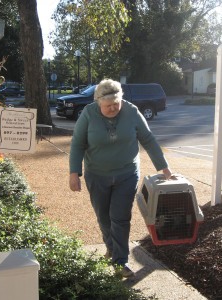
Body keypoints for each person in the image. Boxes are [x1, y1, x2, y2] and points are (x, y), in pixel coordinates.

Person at [69, 79, 172, 277]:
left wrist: (164, 168)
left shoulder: (132, 111)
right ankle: (111, 248)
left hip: (127, 174)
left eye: (116, 103)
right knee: (104, 217)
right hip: (97, 175)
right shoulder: (89, 114)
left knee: (120, 218)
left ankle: (120, 261)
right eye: (108, 105)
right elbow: (77, 144)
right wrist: (74, 173)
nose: (113, 108)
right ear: (98, 102)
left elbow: (148, 139)